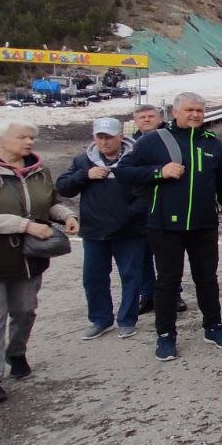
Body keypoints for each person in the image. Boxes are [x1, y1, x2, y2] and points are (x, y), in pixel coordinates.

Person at [0, 119, 79, 405]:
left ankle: (16, 351)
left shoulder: (38, 169)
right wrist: (25, 226)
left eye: (31, 137)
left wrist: (66, 216)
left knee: (25, 310)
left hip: (28, 258)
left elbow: (50, 202)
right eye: (22, 137)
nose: (29, 142)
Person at [117, 92, 222, 361]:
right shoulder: (154, 140)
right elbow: (123, 171)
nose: (195, 114)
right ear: (175, 111)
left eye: (199, 110)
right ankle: (165, 335)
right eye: (189, 110)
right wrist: (159, 172)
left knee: (207, 279)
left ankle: (213, 327)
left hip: (203, 225)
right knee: (168, 281)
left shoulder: (212, 143)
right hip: (163, 225)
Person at [56, 118, 146, 341]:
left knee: (131, 276)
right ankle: (100, 319)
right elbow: (63, 188)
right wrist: (85, 175)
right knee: (93, 277)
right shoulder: (83, 161)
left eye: (109, 137)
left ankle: (127, 320)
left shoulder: (136, 159)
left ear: (120, 136)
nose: (104, 142)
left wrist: (128, 215)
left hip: (130, 230)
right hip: (95, 231)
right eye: (100, 137)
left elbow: (147, 192)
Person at [131, 104, 186, 315]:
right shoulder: (130, 144)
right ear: (135, 121)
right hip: (138, 205)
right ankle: (147, 294)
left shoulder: (171, 140)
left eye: (150, 116)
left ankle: (174, 294)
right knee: (141, 253)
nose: (146, 120)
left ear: (160, 118)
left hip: (165, 204)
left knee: (169, 255)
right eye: (142, 117)